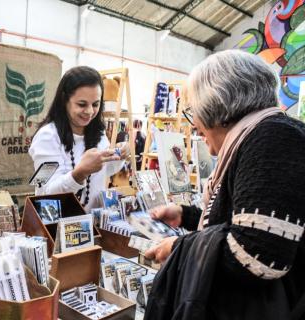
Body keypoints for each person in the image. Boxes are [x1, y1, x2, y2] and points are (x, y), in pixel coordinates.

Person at [143, 50, 305, 320]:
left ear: (215, 107)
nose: (193, 124)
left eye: (192, 111)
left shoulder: (273, 137)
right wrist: (186, 215)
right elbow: (245, 219)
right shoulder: (262, 135)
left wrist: (178, 249)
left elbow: (256, 256)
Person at [29, 66, 129, 211]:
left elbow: (103, 172)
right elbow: (45, 193)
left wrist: (119, 156)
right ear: (64, 100)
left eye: (95, 104)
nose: (89, 111)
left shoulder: (98, 134)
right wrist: (79, 173)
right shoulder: (46, 137)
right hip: (56, 229)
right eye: (82, 104)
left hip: (93, 226)